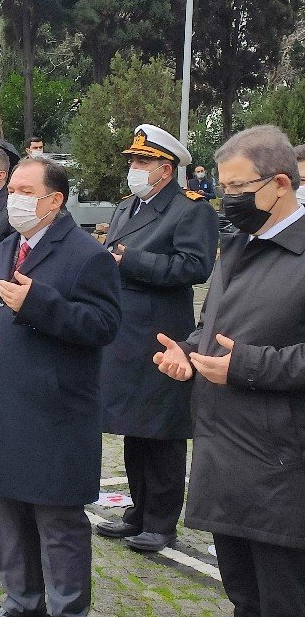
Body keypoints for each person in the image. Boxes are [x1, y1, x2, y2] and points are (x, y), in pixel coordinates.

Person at [0, 157, 121, 617]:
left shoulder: (88, 255)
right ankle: (21, 603)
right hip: (3, 403)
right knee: (9, 514)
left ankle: (67, 612)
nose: (14, 199)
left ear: (55, 200)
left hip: (54, 410)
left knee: (57, 520)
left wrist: (41, 303)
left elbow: (104, 325)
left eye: (26, 191)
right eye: (13, 190)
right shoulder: (6, 247)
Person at [155, 125, 305, 617]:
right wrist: (187, 351)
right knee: (244, 598)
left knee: (284, 603)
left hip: (282, 466)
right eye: (224, 187)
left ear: (281, 184)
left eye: (240, 188)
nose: (228, 199)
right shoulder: (237, 245)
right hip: (224, 453)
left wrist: (245, 366)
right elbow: (212, 326)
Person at [96, 125, 219, 554]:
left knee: (161, 428)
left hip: (161, 332)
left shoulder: (190, 209)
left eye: (142, 162)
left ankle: (162, 521)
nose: (134, 168)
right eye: (133, 161)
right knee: (134, 424)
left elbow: (194, 266)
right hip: (124, 330)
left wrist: (131, 260)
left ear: (165, 169)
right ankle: (138, 511)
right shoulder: (126, 206)